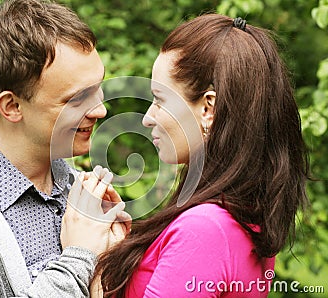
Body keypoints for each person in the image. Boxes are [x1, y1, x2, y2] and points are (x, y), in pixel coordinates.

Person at [90, 14, 310, 297]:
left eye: (160, 100)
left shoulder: (205, 230)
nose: (147, 117)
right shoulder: (243, 217)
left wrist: (90, 259)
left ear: (208, 108)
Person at [0, 0, 129, 297]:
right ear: (11, 106)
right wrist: (79, 258)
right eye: (77, 99)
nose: (100, 110)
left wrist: (120, 261)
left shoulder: (84, 196)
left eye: (98, 86)